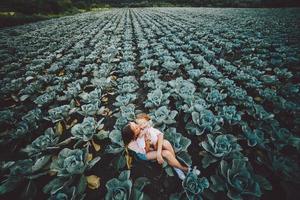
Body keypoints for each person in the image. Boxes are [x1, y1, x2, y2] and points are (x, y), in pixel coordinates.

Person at [122, 113, 189, 180]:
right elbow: (146, 151)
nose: (138, 126)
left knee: (166, 143)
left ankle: (175, 166)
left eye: (135, 124)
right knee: (166, 153)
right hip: (144, 153)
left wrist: (158, 153)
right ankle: (184, 169)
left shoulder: (142, 127)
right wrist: (147, 140)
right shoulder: (131, 144)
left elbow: (160, 135)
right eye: (136, 128)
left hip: (152, 145)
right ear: (133, 136)